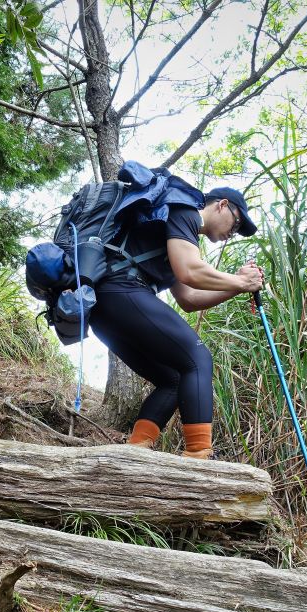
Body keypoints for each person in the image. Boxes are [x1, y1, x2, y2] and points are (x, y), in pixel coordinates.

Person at [88, 187, 265, 459]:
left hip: (104, 310)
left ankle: (135, 451)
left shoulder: (173, 232)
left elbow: (189, 299)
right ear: (222, 205)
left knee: (172, 379)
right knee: (198, 358)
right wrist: (241, 280)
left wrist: (238, 287)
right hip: (120, 291)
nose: (234, 232)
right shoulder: (186, 213)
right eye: (237, 222)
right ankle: (199, 455)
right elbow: (190, 270)